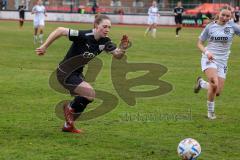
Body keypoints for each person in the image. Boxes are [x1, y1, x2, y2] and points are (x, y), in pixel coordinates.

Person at [35, 15, 130, 133]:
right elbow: (60, 30)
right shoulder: (83, 35)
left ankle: (68, 125)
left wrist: (123, 47)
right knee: (90, 93)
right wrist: (44, 46)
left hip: (77, 73)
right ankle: (69, 109)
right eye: (104, 26)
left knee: (88, 97)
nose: (107, 29)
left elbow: (117, 55)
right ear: (96, 26)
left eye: (109, 27)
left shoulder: (105, 41)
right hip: (65, 72)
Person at [194, 6, 240, 119]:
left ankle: (202, 83)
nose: (225, 17)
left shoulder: (233, 26)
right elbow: (199, 43)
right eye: (223, 15)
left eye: (228, 16)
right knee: (214, 83)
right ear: (219, 14)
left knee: (217, 91)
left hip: (223, 61)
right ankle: (210, 113)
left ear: (231, 16)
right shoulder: (210, 26)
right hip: (209, 58)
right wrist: (207, 52)